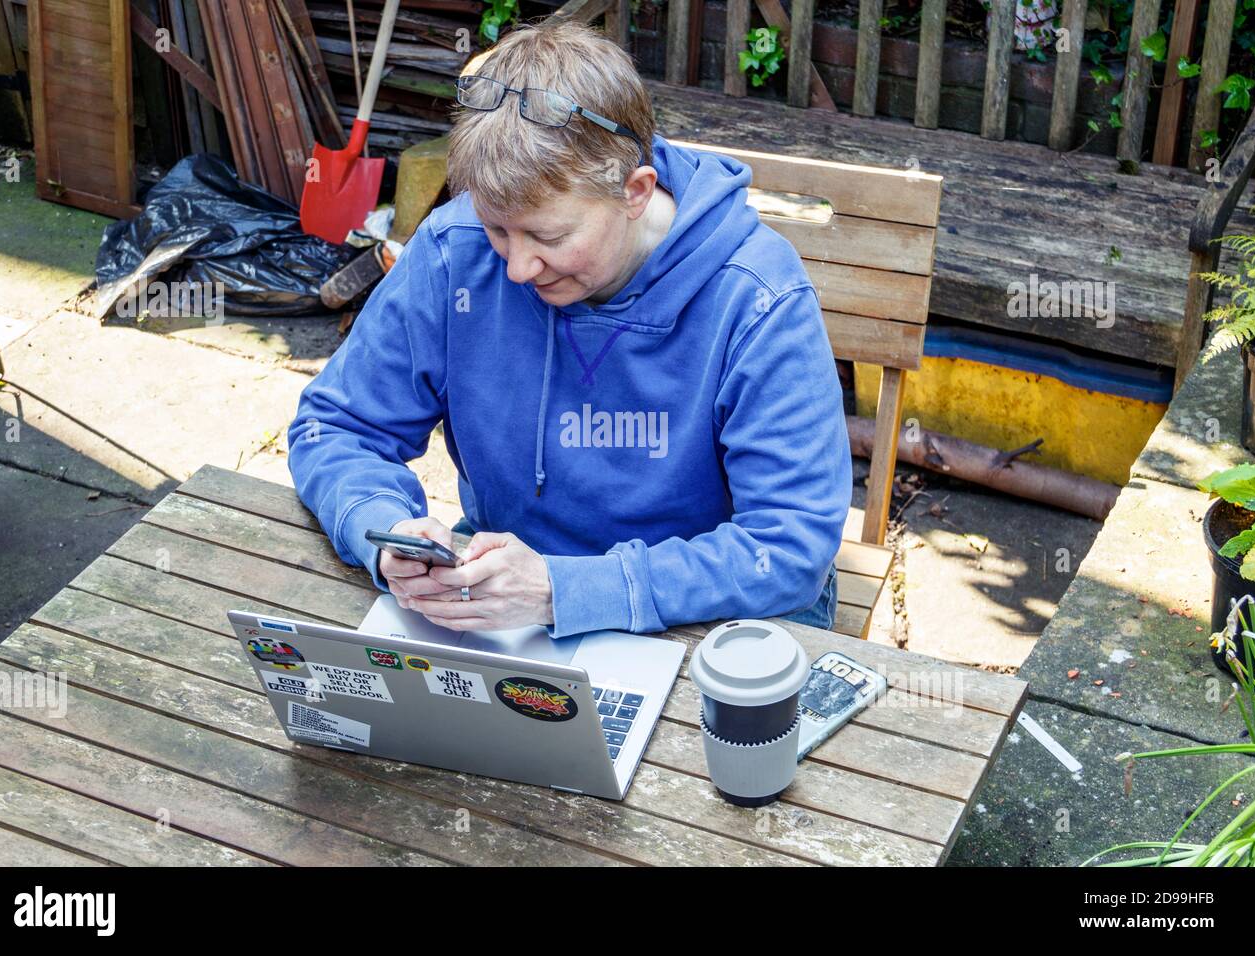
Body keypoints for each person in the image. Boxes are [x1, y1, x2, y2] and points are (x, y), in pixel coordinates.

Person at [287, 20, 852, 638]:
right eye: (498, 229)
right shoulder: (456, 251)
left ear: (635, 192)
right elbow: (336, 426)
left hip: (709, 612)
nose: (518, 267)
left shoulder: (756, 296)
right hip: (506, 599)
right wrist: (383, 527)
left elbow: (790, 547)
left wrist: (567, 591)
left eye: (550, 237)